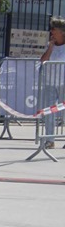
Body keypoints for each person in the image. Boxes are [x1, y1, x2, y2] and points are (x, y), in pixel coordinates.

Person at [38, 16, 65, 149]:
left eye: (53, 29)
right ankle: (50, 140)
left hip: (63, 83)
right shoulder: (51, 45)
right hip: (50, 82)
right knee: (49, 111)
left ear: (62, 32)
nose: (51, 31)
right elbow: (43, 60)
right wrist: (50, 47)